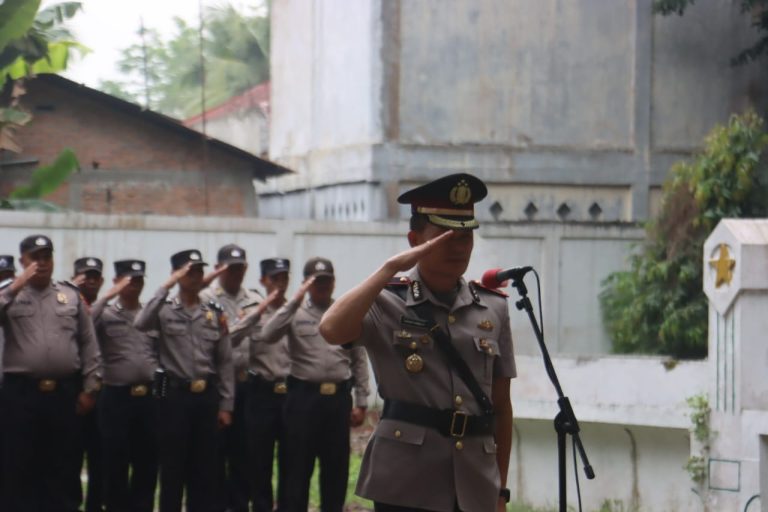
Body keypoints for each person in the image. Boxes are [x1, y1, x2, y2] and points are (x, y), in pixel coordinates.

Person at [319, 173, 516, 512]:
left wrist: (500, 490)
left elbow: (501, 406)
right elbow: (332, 329)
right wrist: (390, 268)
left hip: (474, 481)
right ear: (415, 239)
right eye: (444, 236)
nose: (458, 246)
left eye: (466, 235)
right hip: (406, 481)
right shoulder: (385, 301)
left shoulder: (492, 307)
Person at [0, 234, 102, 511]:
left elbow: (89, 344)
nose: (42, 263)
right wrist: (15, 285)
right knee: (19, 466)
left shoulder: (70, 296)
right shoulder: (9, 293)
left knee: (64, 465)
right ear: (23, 261)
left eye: (47, 256)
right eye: (35, 257)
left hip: (64, 394)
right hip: (21, 395)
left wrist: (91, 388)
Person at [260, 257, 370, 512]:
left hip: (337, 401)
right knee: (297, 468)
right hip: (302, 400)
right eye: (316, 282)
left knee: (336, 469)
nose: (323, 286)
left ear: (333, 282)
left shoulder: (345, 312)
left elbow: (359, 359)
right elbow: (267, 335)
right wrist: (294, 300)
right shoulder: (294, 313)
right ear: (306, 285)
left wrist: (362, 400)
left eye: (327, 281)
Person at [134, 249, 234, 512]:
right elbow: (141, 323)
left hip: (206, 397)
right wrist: (166, 286)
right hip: (175, 398)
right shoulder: (164, 309)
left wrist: (226, 405)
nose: (196, 276)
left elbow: (224, 361)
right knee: (173, 468)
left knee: (205, 469)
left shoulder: (213, 311)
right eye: (189, 272)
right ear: (176, 275)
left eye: (199, 271)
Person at [199, 244, 262, 512]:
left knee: (243, 452)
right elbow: (220, 339)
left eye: (240, 268)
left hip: (247, 386)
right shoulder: (205, 299)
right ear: (218, 269)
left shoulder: (255, 299)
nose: (235, 273)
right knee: (213, 452)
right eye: (229, 268)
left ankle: (238, 505)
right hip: (216, 387)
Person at [92, 259, 158, 512]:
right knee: (114, 460)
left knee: (148, 461)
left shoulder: (149, 316)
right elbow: (83, 323)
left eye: (139, 280)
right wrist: (107, 296)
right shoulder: (106, 314)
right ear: (117, 281)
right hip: (116, 396)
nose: (135, 285)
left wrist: (160, 397)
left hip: (148, 397)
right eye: (129, 280)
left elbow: (162, 358)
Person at [229, 258, 292, 512]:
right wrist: (259, 310)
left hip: (290, 394)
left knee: (291, 460)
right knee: (258, 460)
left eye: (284, 277)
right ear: (262, 281)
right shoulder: (253, 312)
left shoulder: (296, 310)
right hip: (261, 394)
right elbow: (230, 339)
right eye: (274, 278)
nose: (280, 283)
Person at [72, 256, 107, 512]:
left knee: (101, 458)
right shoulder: (68, 308)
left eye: (95, 276)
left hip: (106, 397)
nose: (91, 281)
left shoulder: (109, 312)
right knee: (71, 457)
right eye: (86, 276)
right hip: (75, 394)